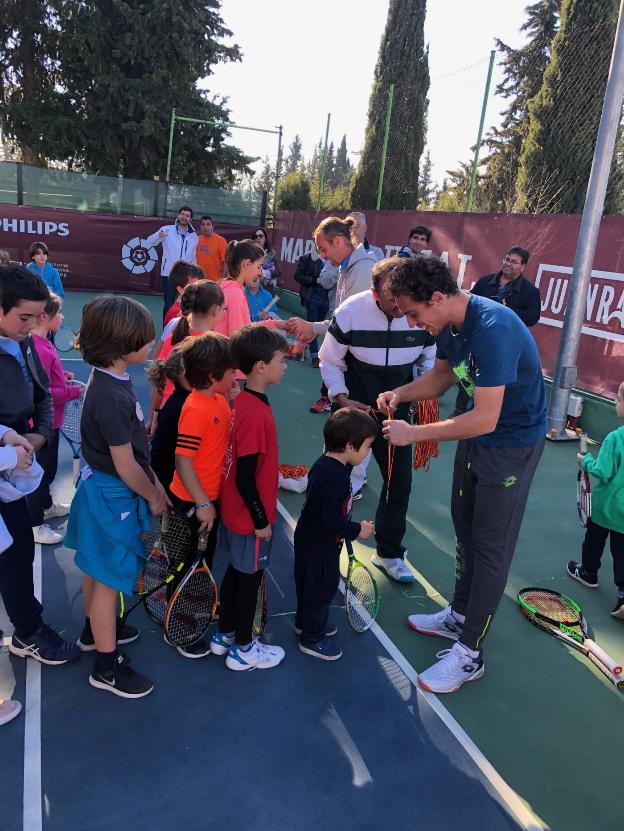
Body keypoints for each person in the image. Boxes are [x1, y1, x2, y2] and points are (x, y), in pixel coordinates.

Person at [377, 255, 546, 694]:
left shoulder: (495, 328)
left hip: (510, 446)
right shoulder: (450, 325)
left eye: (415, 313)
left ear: (437, 297)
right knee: (464, 530)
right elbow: (438, 378)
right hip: (475, 438)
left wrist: (413, 433)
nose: (416, 323)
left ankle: (470, 653)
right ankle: (458, 615)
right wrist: (399, 392)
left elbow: (487, 418)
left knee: (489, 546)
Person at [66, 296, 169, 698]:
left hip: (104, 491)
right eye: (144, 340)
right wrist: (155, 496)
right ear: (118, 344)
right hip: (113, 496)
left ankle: (94, 632)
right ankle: (106, 667)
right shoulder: (110, 394)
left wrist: (153, 484)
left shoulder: (112, 381)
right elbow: (126, 465)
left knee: (97, 570)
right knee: (109, 580)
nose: (151, 345)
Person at [319, 257, 436, 580]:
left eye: (403, 297)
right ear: (374, 293)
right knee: (334, 483)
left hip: (396, 415)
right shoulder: (350, 311)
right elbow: (329, 360)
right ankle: (324, 541)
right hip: (351, 411)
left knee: (399, 484)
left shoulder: (417, 315)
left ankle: (389, 553)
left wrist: (418, 394)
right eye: (391, 298)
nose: (400, 306)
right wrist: (341, 397)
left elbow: (430, 361)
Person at [0, 265, 80, 665]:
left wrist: (39, 436)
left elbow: (43, 396)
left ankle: (28, 630)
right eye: (24, 317)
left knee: (17, 549)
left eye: (36, 317)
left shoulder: (27, 343)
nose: (31, 327)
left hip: (12, 471)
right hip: (7, 464)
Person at [210, 325, 288, 671]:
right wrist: (261, 521)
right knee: (249, 581)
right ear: (260, 366)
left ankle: (224, 634)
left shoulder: (242, 400)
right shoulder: (255, 414)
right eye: (281, 361)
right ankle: (243, 647)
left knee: (236, 575)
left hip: (235, 512)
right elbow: (244, 475)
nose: (285, 366)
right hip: (249, 517)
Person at [166, 333, 236, 658]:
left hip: (209, 500)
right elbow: (183, 461)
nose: (235, 374)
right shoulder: (196, 409)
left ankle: (196, 603)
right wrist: (203, 503)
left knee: (201, 560)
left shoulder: (219, 400)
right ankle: (177, 626)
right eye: (231, 370)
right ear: (212, 376)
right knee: (183, 563)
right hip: (192, 503)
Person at [295, 408, 376, 660]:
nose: (367, 453)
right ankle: (311, 638)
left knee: (309, 586)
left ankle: (305, 622)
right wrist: (356, 530)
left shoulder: (324, 464)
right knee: (322, 590)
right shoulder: (337, 479)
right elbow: (330, 519)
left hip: (308, 539)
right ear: (350, 447)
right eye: (366, 447)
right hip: (320, 546)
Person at [289, 216, 378, 414]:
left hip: (359, 368)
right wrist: (316, 329)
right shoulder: (348, 267)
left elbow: (349, 324)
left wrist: (312, 327)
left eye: (323, 249)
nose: (322, 256)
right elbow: (343, 318)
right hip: (352, 362)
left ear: (337, 241)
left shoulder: (362, 270)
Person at [453, 246, 540, 416]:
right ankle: (460, 412)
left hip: (505, 346)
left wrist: (507, 311)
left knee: (494, 383)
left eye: (514, 262)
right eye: (507, 259)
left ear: (523, 266)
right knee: (466, 378)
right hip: (476, 341)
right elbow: (468, 305)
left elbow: (532, 317)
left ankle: (488, 416)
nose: (508, 264)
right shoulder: (485, 282)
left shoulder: (530, 292)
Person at [567, 381, 624, 619]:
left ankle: (588, 573)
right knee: (622, 552)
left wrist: (585, 461)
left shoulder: (615, 438)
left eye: (619, 398)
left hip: (605, 509)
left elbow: (602, 471)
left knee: (593, 541)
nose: (615, 401)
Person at [28, 292, 82, 544]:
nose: (62, 317)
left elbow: (51, 377)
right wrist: (73, 391)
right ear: (45, 317)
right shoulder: (38, 348)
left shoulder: (43, 344)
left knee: (46, 471)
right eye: (58, 313)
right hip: (44, 423)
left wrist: (64, 376)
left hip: (51, 422)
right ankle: (35, 525)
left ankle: (47, 506)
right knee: (42, 473)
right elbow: (44, 393)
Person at [147, 280, 225, 435]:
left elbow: (159, 383)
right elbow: (220, 391)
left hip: (168, 411)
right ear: (216, 310)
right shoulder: (216, 347)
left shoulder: (172, 339)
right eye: (224, 309)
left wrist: (154, 416)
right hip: (198, 419)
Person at [147, 347, 190, 497]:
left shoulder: (183, 403)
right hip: (173, 493)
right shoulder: (178, 407)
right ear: (185, 373)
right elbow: (161, 457)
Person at [145, 207, 198, 318]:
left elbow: (193, 257)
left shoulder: (194, 236)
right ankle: (167, 331)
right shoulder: (166, 230)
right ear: (178, 215)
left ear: (190, 219)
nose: (184, 217)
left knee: (185, 304)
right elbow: (149, 242)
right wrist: (158, 236)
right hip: (168, 274)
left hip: (186, 276)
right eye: (182, 214)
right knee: (169, 304)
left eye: (187, 216)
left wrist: (193, 275)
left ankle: (180, 330)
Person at [293, 246, 327, 368]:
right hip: (312, 298)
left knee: (321, 327)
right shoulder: (306, 258)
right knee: (313, 325)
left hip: (326, 299)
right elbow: (298, 276)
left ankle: (300, 349)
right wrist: (315, 280)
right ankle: (314, 357)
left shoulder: (333, 258)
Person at [162, 261, 205, 329]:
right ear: (180, 289)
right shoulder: (175, 314)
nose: (199, 289)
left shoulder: (197, 308)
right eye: (194, 286)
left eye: (201, 285)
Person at [195, 216, 228, 281]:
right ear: (200, 227)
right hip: (198, 281)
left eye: (208, 224)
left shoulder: (221, 241)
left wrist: (222, 279)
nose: (205, 227)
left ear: (212, 226)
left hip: (215, 282)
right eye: (203, 224)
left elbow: (226, 262)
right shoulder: (196, 239)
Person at [251, 228, 281, 293]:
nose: (258, 238)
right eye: (256, 236)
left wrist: (265, 273)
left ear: (265, 238)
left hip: (267, 288)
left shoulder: (271, 253)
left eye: (261, 236)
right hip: (251, 287)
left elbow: (278, 271)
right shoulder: (249, 252)